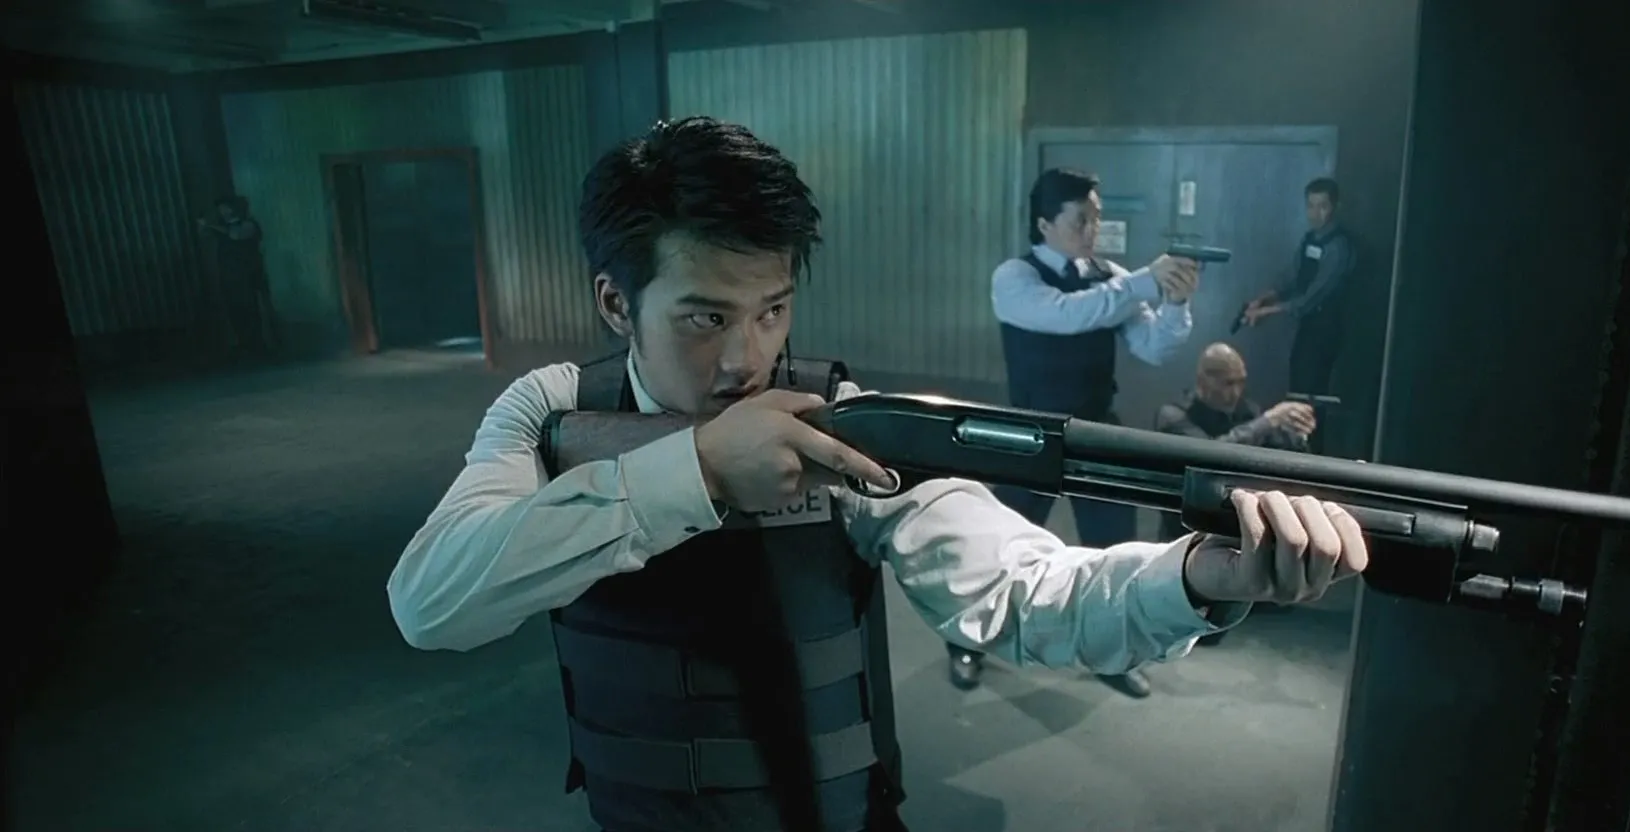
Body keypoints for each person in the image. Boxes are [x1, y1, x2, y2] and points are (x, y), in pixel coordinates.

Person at [386, 117, 1370, 832]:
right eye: (705, 317)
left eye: (772, 310)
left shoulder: (840, 414)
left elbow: (1027, 591)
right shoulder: (551, 407)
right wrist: (698, 471)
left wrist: (1198, 576)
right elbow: (430, 602)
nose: (747, 360)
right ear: (614, 302)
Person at [962, 167, 1202, 699]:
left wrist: (1176, 300)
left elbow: (1153, 347)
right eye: (1080, 220)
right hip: (1030, 429)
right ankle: (966, 641)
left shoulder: (1109, 276)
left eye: (1096, 218)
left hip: (1096, 428)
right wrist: (1144, 281)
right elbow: (1068, 314)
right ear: (1044, 224)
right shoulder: (1015, 277)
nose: (1093, 230)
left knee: (1115, 548)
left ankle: (1111, 652)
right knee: (998, 542)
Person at [1154, 342, 1320, 646]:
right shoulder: (1173, 415)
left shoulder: (1246, 411)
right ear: (1203, 380)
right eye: (1227, 383)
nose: (1235, 392)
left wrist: (1296, 436)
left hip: (1232, 522)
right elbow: (1209, 455)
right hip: (1186, 527)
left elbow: (1279, 460)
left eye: (1240, 382)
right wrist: (1267, 422)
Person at [1238, 177, 1354, 409]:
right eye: (1311, 206)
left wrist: (1266, 312)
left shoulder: (1338, 247)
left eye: (1323, 206)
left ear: (1335, 207)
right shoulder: (1309, 239)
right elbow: (1291, 277)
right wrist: (1261, 299)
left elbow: (1311, 299)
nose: (1315, 214)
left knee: (1311, 392)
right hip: (1307, 327)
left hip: (1326, 330)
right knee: (1298, 382)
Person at [197, 196, 273, 352]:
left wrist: (210, 226)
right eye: (221, 209)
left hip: (249, 277)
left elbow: (235, 235)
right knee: (235, 312)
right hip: (229, 277)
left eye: (226, 207)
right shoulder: (221, 227)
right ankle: (243, 343)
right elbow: (204, 237)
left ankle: (260, 344)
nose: (223, 211)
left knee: (252, 310)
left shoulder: (249, 224)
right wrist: (203, 227)